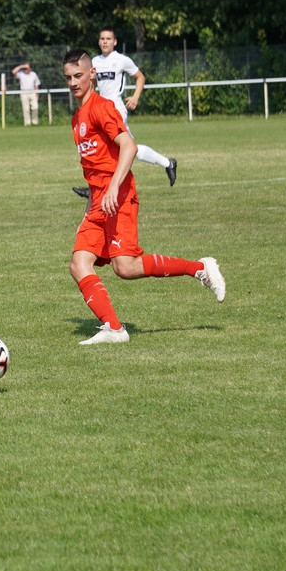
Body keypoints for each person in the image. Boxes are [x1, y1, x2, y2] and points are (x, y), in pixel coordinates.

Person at [63, 48, 225, 345]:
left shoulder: (101, 107)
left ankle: (200, 269)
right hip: (98, 203)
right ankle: (114, 329)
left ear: (92, 74)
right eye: (68, 77)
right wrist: (86, 213)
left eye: (78, 76)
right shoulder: (76, 120)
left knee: (125, 267)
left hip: (119, 197)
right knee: (78, 263)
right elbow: (94, 173)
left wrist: (114, 187)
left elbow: (129, 146)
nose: (73, 82)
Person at [72, 28, 177, 198]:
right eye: (102, 38)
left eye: (108, 38)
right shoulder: (94, 62)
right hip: (99, 109)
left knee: (126, 147)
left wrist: (135, 97)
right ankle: (167, 163)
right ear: (98, 41)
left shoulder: (121, 60)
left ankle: (97, 188)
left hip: (116, 109)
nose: (105, 41)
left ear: (115, 42)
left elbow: (140, 77)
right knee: (110, 147)